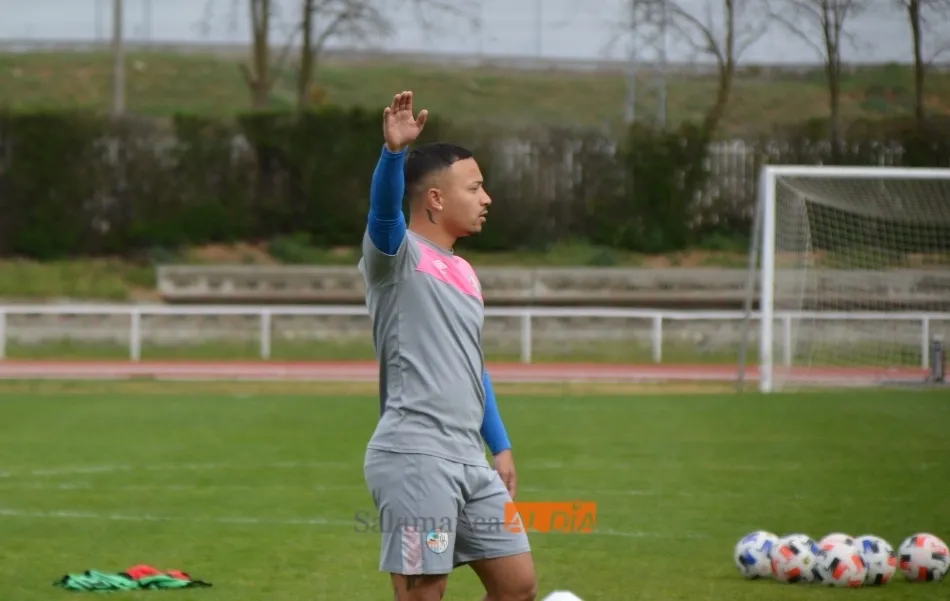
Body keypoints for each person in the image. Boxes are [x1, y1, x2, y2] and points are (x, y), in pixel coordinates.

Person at [359, 90, 538, 601]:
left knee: (518, 587)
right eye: (475, 187)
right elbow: (384, 213)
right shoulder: (396, 256)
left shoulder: (464, 271)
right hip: (417, 456)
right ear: (436, 199)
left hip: (469, 459)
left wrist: (499, 444)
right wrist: (393, 154)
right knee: (424, 592)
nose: (487, 198)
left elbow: (471, 366)